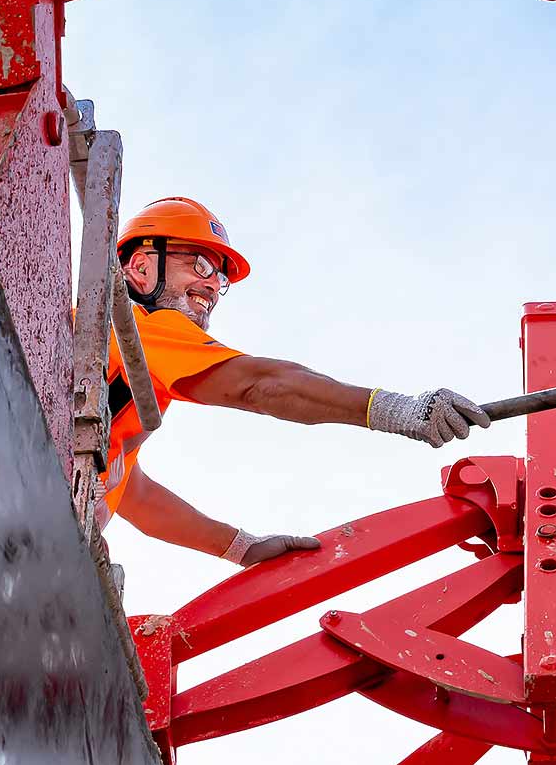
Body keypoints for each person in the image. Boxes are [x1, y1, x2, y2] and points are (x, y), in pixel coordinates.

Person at [97, 196, 489, 568]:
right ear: (142, 267)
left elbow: (136, 495)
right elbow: (260, 384)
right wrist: (400, 410)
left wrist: (243, 548)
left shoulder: (123, 367)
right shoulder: (138, 325)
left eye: (219, 276)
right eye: (200, 264)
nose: (214, 285)